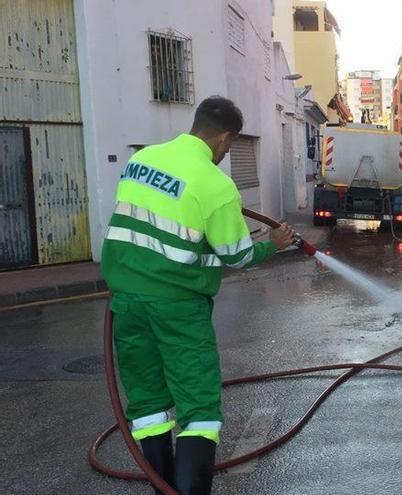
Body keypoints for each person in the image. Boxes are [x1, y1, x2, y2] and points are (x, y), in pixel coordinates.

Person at [100, 96, 296, 494]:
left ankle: (164, 488)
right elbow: (237, 255)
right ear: (224, 138)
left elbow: (157, 225)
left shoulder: (142, 161)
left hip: (125, 301)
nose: (226, 153)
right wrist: (274, 243)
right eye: (230, 146)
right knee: (200, 410)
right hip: (178, 306)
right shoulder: (215, 184)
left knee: (149, 404)